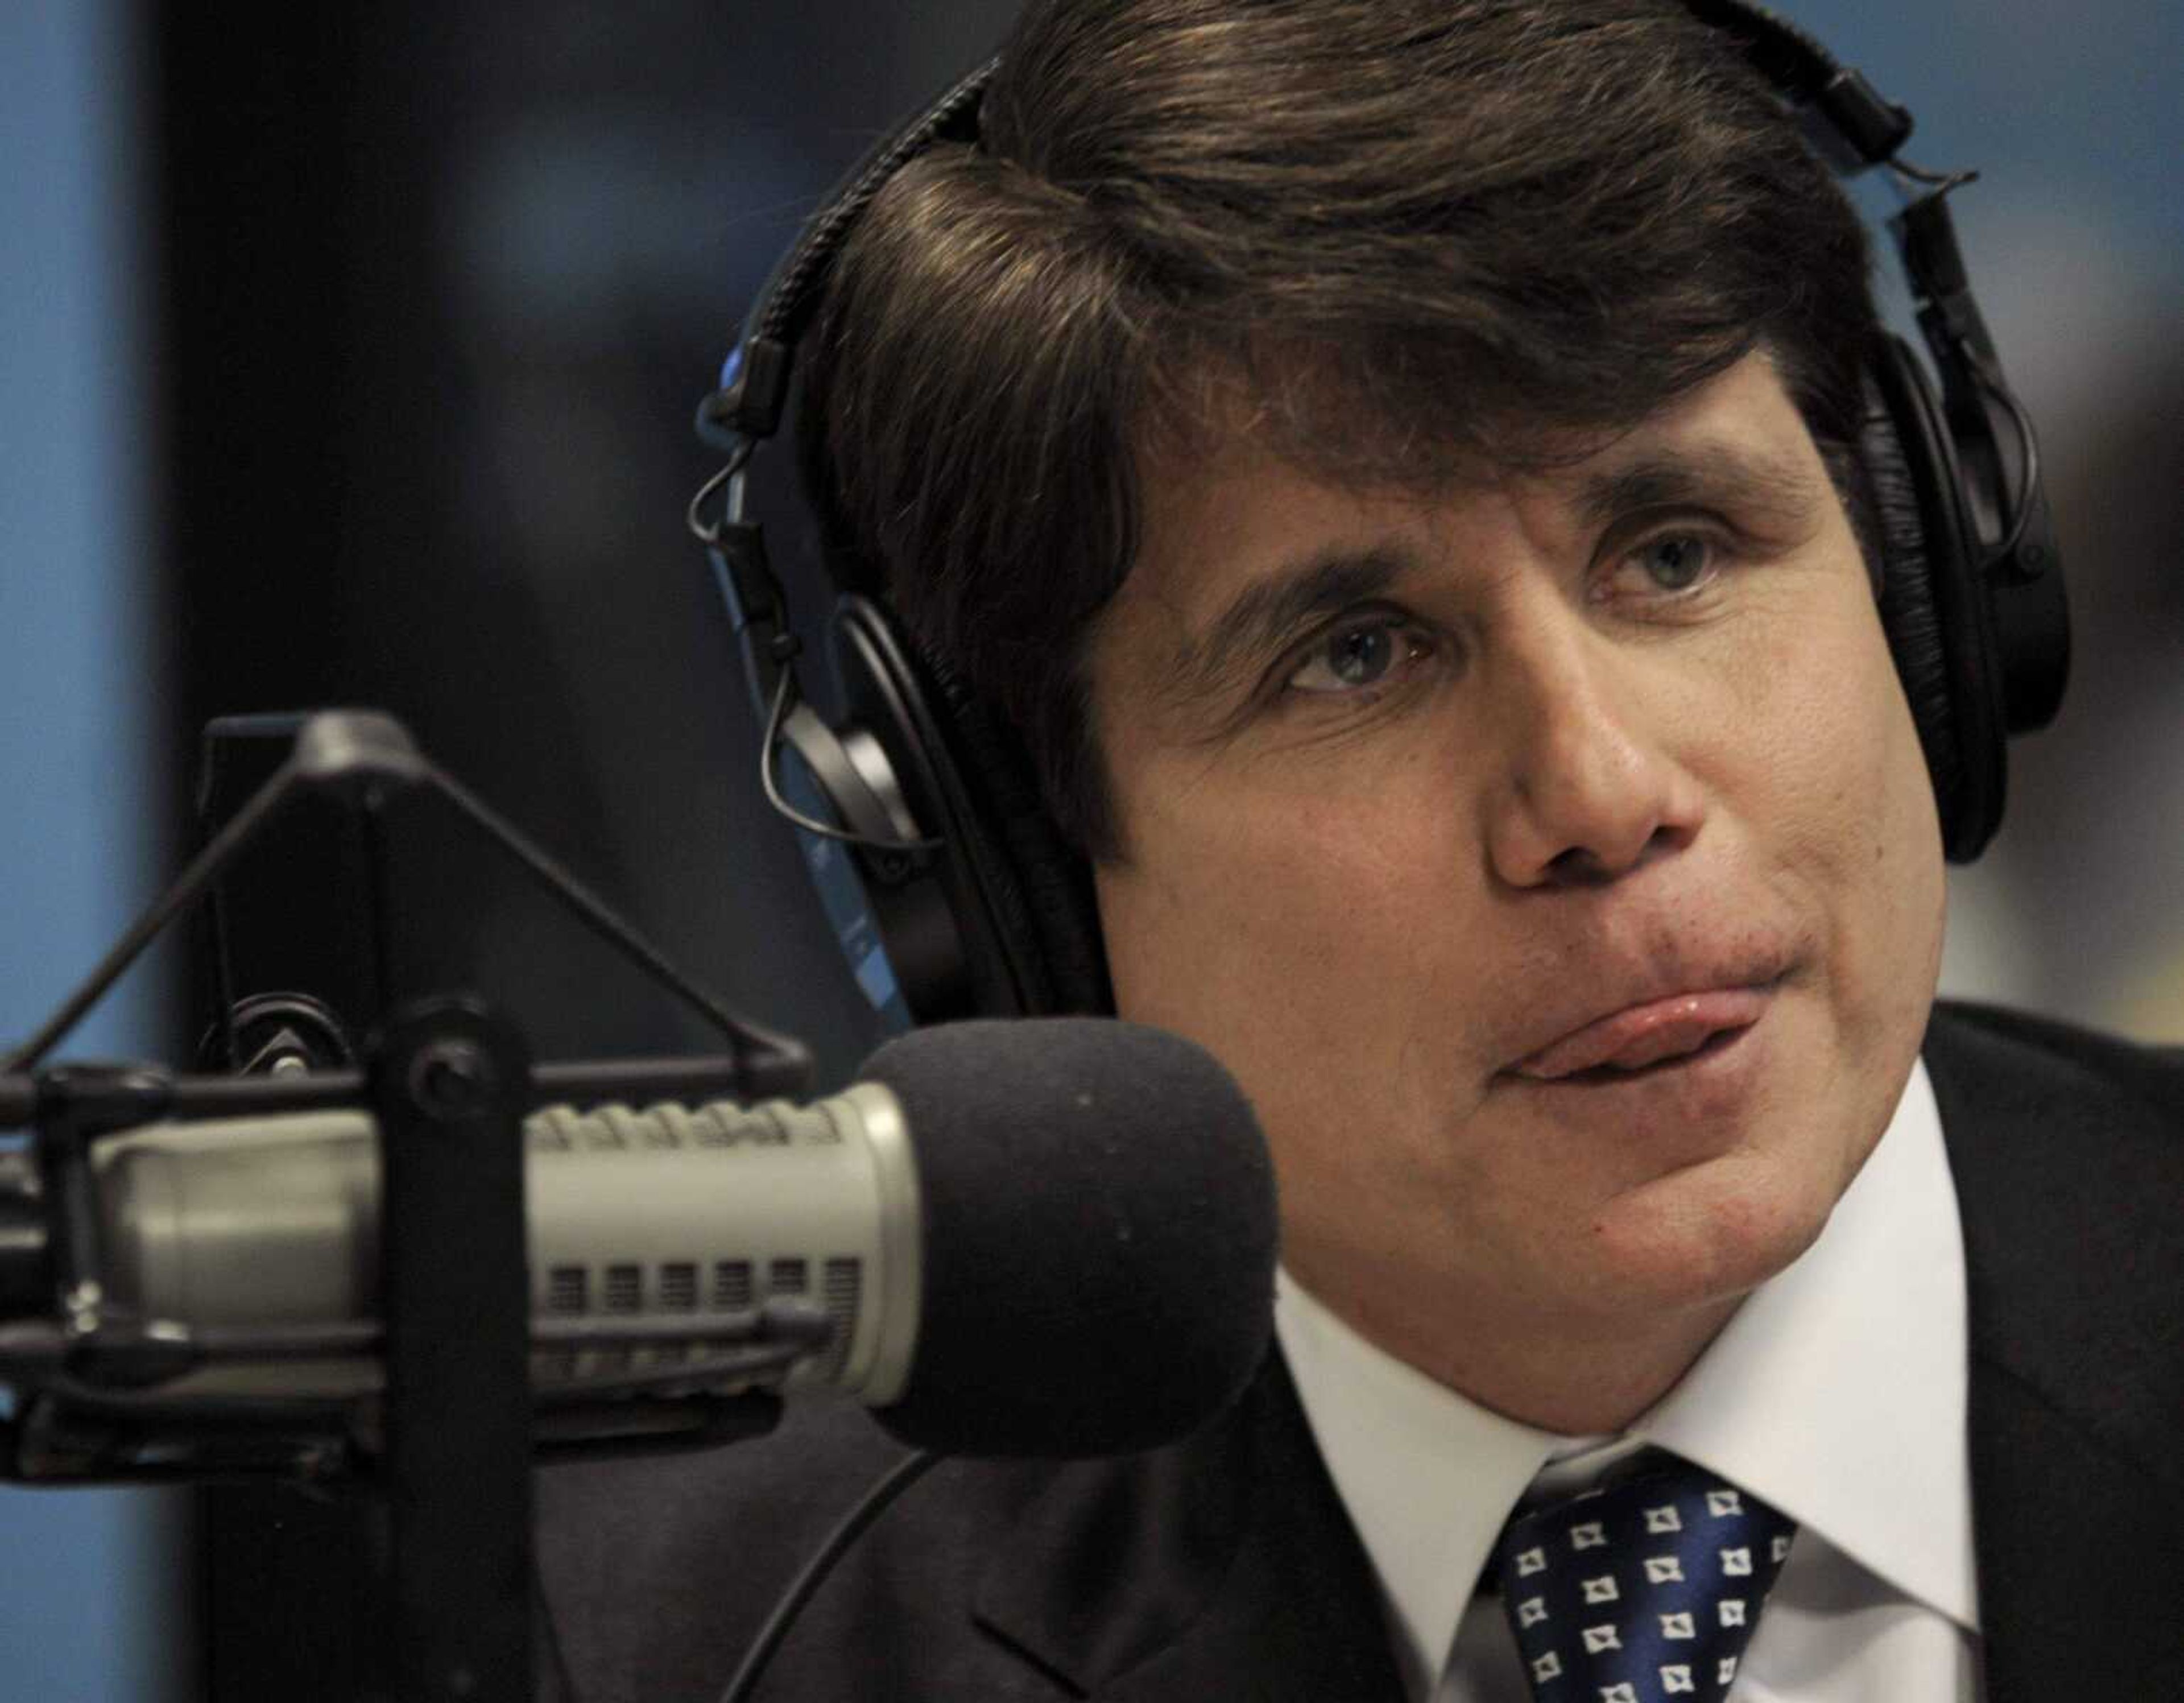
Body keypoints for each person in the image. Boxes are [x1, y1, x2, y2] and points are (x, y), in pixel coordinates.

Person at [537, 2, 2184, 1698]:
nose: (1605, 794)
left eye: (1678, 553)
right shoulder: (679, 1644)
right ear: (1013, 880)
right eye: (1358, 653)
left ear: (1925, 588)